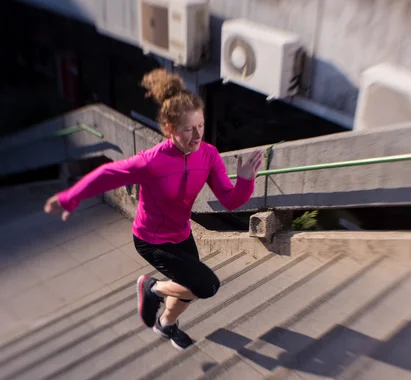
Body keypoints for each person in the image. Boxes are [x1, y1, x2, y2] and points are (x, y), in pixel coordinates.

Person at [43, 68, 263, 350]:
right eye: (188, 129)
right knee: (206, 286)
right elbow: (107, 173)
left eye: (201, 126)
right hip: (151, 240)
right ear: (170, 129)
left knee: (188, 291)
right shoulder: (151, 161)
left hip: (182, 234)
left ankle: (166, 324)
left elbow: (230, 201)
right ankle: (152, 288)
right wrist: (69, 198)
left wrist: (246, 180)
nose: (197, 136)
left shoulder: (208, 154)